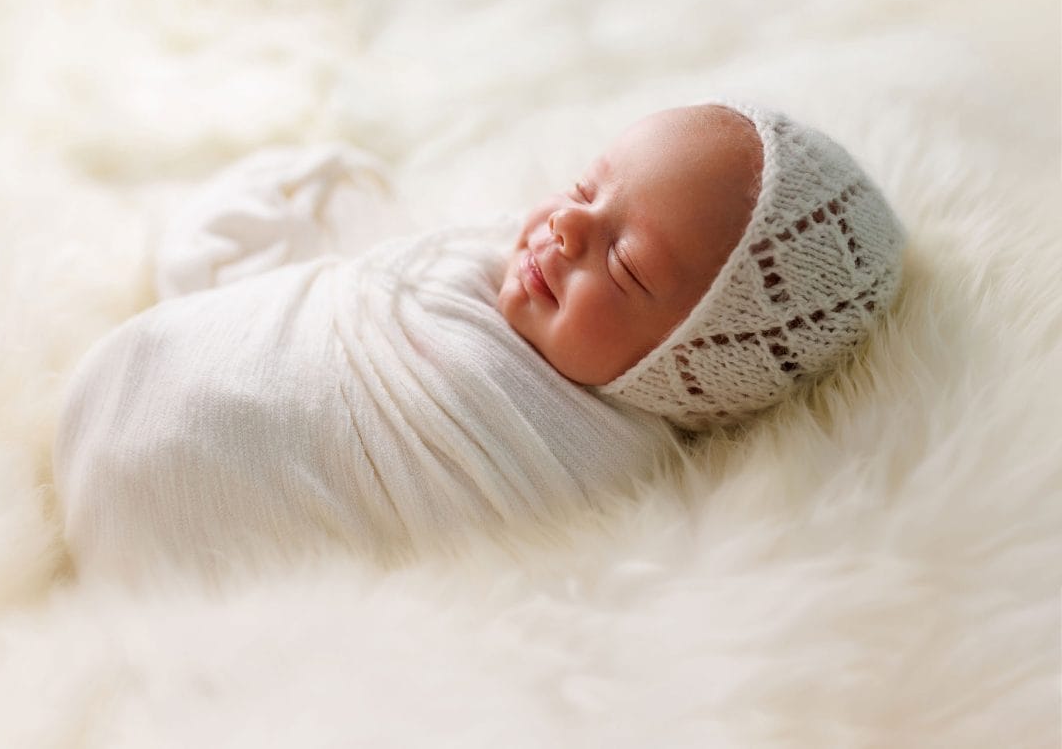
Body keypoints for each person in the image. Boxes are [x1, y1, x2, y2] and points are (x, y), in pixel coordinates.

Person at [52, 99, 906, 587]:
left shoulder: (589, 470)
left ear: (689, 371)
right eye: (586, 188)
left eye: (630, 266)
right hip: (132, 391)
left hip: (183, 537)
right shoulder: (497, 264)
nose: (567, 228)